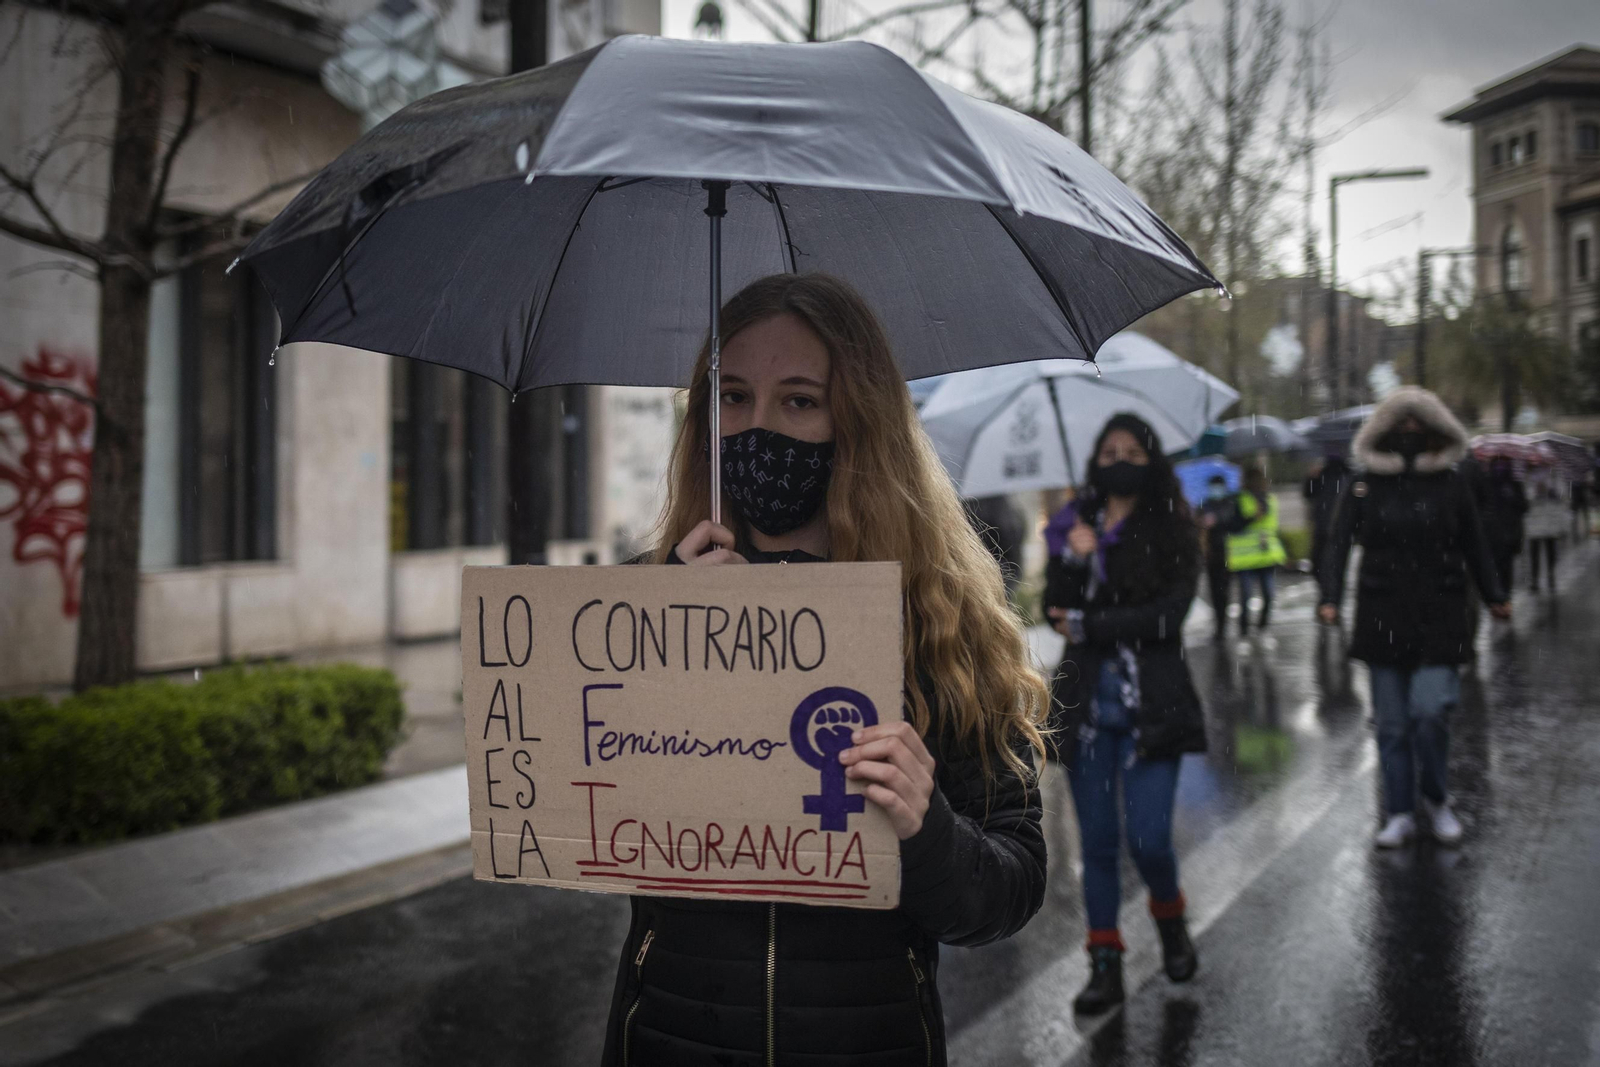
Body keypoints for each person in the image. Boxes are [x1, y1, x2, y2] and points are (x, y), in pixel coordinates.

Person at [603, 273, 1051, 1067]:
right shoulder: (652, 599)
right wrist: (664, 651)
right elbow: (593, 819)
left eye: (799, 400)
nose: (757, 425)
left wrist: (927, 827)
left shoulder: (942, 618)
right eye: (732, 396)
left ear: (860, 421)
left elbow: (1008, 888)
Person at [1042, 413, 1206, 1015]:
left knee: (1150, 839)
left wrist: (1094, 623)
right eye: (1108, 448)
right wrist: (1078, 558)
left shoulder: (1171, 523)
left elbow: (1171, 614)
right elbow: (1053, 607)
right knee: (1100, 845)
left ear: (1151, 457)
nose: (1119, 457)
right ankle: (1104, 964)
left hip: (1151, 707)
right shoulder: (1074, 520)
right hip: (1087, 708)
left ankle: (1170, 921)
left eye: (1131, 449)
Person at [1317, 387, 1510, 850]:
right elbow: (1338, 542)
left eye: (1417, 425)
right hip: (1382, 613)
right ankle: (1400, 811)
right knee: (1391, 725)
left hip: (1441, 614)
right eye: (1399, 425)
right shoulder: (1364, 484)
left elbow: (1474, 544)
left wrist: (1494, 595)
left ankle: (1437, 801)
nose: (1408, 433)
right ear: (1382, 433)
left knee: (1429, 714)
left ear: (1435, 431)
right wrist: (1329, 597)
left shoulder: (1452, 482)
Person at [1226, 466, 1286, 633]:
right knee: (1246, 596)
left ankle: (1262, 626)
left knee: (1269, 595)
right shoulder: (1238, 500)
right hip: (1245, 558)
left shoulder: (1270, 499)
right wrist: (1252, 518)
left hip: (1266, 555)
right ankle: (1244, 628)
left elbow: (1274, 527)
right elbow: (1233, 526)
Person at [1477, 455, 1528, 595]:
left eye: (1503, 465)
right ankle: (1497, 593)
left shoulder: (1514, 484)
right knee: (1494, 565)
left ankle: (1505, 595)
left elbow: (1524, 507)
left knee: (1507, 566)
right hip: (1492, 533)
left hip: (1510, 533)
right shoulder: (1486, 483)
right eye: (1498, 465)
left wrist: (1512, 497)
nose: (1500, 468)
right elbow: (1481, 505)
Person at [1197, 473, 1238, 638]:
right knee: (1214, 591)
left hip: (1228, 553)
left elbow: (1233, 521)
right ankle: (1219, 623)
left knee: (1224, 590)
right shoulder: (1205, 504)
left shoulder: (1230, 503)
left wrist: (1217, 520)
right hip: (1211, 554)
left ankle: (1223, 623)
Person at [1303, 453, 1351, 587]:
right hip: (1324, 526)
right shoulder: (1321, 474)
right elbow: (1308, 494)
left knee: (1330, 564)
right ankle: (1327, 592)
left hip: (1335, 527)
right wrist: (1312, 477)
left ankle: (1329, 594)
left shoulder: (1349, 474)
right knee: (1321, 563)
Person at [1524, 468, 1566, 593]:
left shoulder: (1554, 473)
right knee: (1534, 551)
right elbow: (1526, 496)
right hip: (1535, 519)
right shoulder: (1528, 475)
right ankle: (1535, 580)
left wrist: (1551, 491)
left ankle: (1551, 577)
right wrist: (1535, 492)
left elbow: (1561, 493)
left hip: (1549, 518)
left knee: (1551, 550)